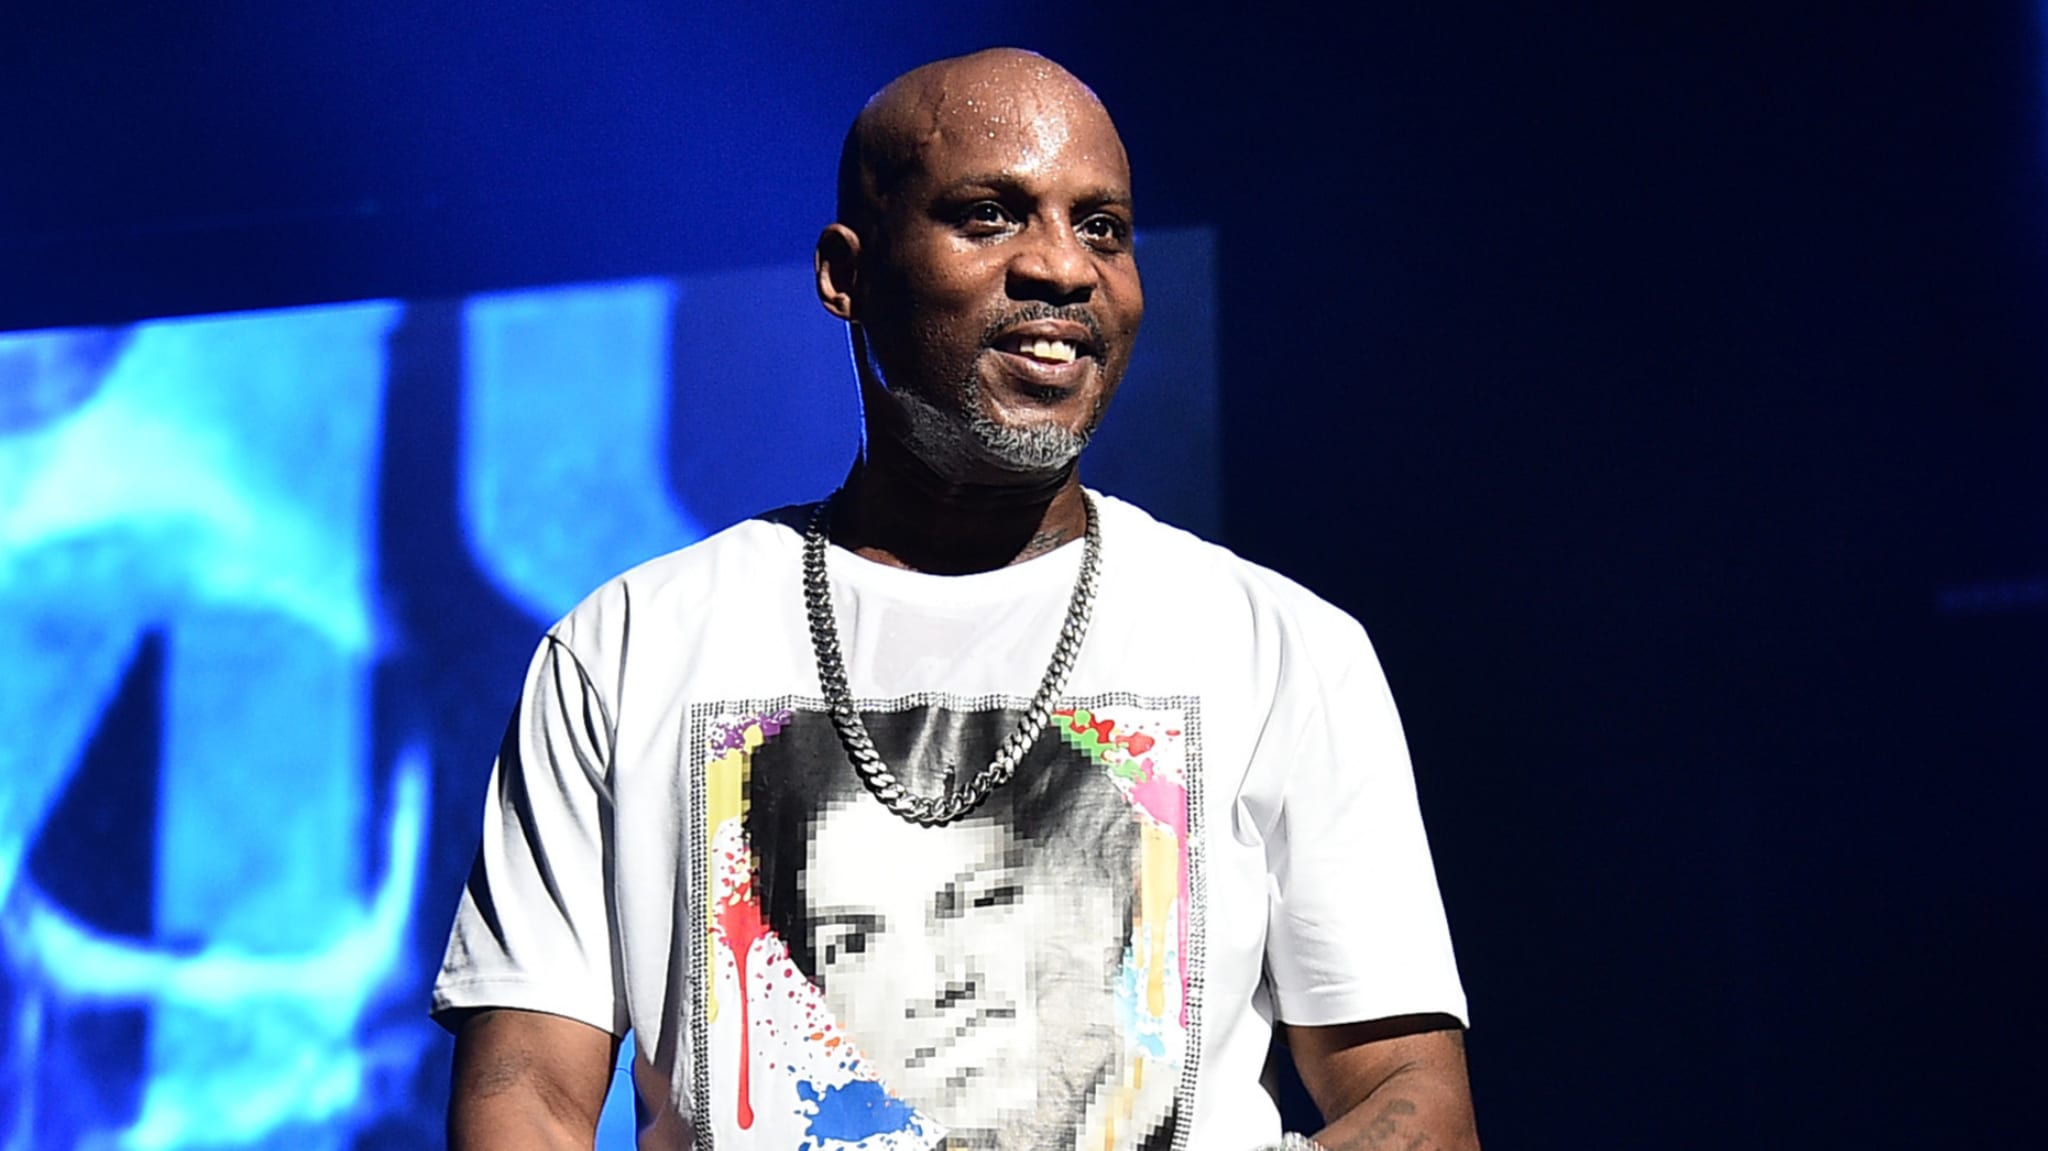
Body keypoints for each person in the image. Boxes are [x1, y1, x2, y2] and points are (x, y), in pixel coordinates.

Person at [434, 47, 1481, 1151]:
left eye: (1101, 228)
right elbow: (527, 1095)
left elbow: (1407, 1097)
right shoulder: (627, 646)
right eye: (988, 216)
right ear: (847, 272)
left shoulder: (1281, 648)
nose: (1062, 269)